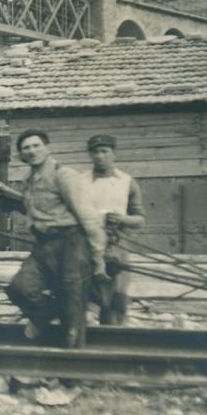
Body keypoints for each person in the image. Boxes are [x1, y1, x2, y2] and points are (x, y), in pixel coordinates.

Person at [0, 129, 107, 348]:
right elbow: (35, 209)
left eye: (36, 146)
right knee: (19, 288)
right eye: (26, 148)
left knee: (73, 310)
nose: (32, 151)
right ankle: (51, 312)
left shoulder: (64, 175)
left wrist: (98, 257)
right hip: (44, 246)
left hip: (72, 244)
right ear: (21, 155)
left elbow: (89, 217)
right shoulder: (29, 179)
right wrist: (7, 198)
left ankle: (72, 373)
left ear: (47, 148)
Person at [83, 135, 146, 325]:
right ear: (90, 155)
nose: (100, 156)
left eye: (105, 151)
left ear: (113, 153)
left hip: (117, 245)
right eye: (95, 152)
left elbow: (140, 220)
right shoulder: (81, 181)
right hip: (87, 246)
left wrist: (122, 219)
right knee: (89, 299)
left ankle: (115, 340)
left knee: (116, 301)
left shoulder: (127, 182)